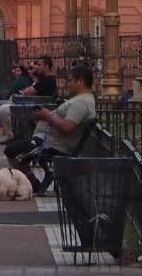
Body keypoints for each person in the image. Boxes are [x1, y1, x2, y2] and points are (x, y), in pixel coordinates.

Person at [20, 63, 98, 195]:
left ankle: (31, 185)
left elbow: (68, 126)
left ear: (80, 81)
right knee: (14, 146)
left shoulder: (81, 103)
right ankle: (36, 182)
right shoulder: (80, 100)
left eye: (71, 80)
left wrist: (48, 116)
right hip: (49, 140)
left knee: (13, 151)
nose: (68, 84)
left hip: (54, 145)